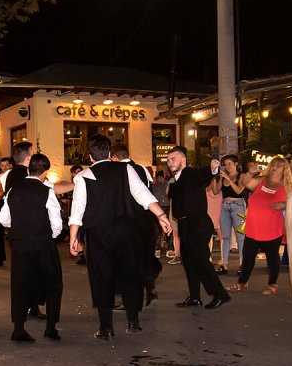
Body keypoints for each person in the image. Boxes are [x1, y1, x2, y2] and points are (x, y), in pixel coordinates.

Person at [69, 134, 172, 339]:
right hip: (127, 231)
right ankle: (133, 323)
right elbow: (143, 195)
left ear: (89, 157)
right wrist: (161, 215)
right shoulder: (126, 169)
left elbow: (77, 209)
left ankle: (106, 328)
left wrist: (74, 237)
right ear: (109, 153)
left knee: (101, 277)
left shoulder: (83, 177)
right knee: (130, 274)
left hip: (99, 234)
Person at [0, 153, 64, 342]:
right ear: (45, 172)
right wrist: (49, 236)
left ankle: (18, 329)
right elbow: (56, 222)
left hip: (19, 243)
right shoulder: (46, 191)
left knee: (20, 284)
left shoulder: (13, 190)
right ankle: (50, 328)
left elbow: (4, 219)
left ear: (28, 169)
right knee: (53, 284)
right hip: (42, 242)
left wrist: (19, 227)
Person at [166, 146, 230, 309]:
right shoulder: (176, 180)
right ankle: (195, 297)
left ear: (183, 160)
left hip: (198, 224)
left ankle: (220, 294)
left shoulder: (190, 174)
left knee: (201, 261)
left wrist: (213, 168)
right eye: (168, 160)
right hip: (185, 225)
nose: (169, 162)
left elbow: (205, 174)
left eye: (173, 159)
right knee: (189, 262)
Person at [226, 157, 292, 295]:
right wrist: (250, 173)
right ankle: (242, 283)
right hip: (253, 226)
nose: (275, 168)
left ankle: (272, 284)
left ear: (285, 169)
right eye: (273, 165)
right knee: (248, 255)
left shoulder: (288, 186)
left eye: (279, 166)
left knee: (272, 256)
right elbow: (246, 183)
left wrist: (285, 204)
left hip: (272, 227)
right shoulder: (262, 180)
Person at [109, 143, 161, 306]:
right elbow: (148, 190)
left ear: (115, 157)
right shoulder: (142, 169)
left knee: (127, 260)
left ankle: (129, 299)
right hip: (147, 220)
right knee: (144, 256)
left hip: (129, 221)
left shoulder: (118, 172)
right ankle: (151, 289)